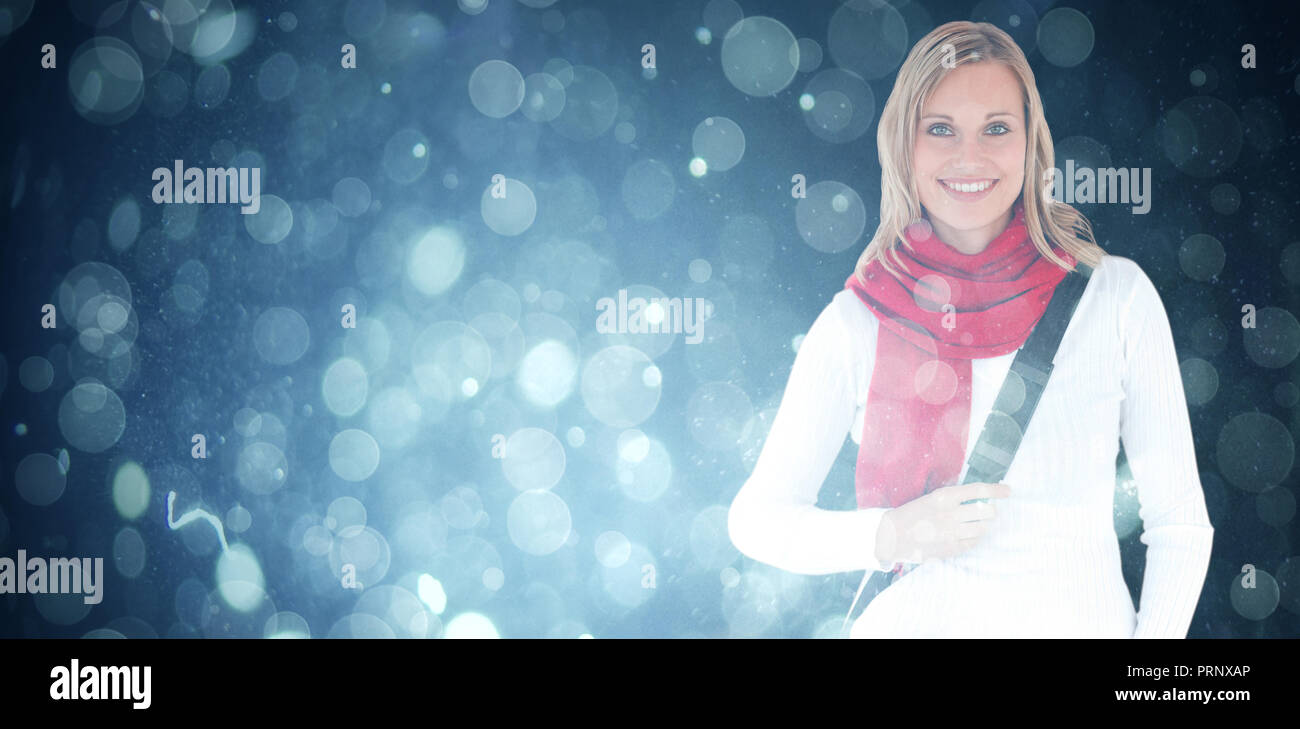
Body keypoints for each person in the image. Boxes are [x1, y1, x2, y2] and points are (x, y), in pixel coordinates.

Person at [726, 21, 1214, 638]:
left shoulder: (1114, 296)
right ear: (905, 145)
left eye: (997, 128)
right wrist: (887, 535)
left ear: (1031, 144)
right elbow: (757, 519)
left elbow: (1179, 522)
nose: (969, 157)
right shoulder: (858, 320)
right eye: (939, 129)